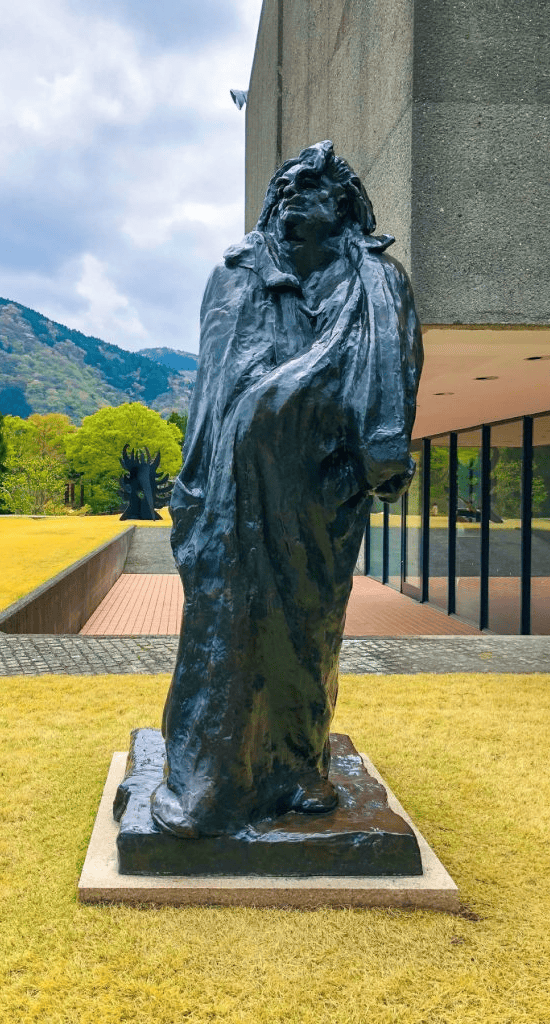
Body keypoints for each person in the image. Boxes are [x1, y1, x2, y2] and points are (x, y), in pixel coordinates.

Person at [150, 141, 423, 837]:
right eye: (289, 183)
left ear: (345, 203)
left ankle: (300, 766)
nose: (298, 192)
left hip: (323, 491)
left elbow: (395, 372)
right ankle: (210, 781)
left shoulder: (377, 282)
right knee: (230, 621)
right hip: (236, 491)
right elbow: (214, 388)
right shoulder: (237, 273)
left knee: (311, 627)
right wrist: (196, 487)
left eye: (316, 184)